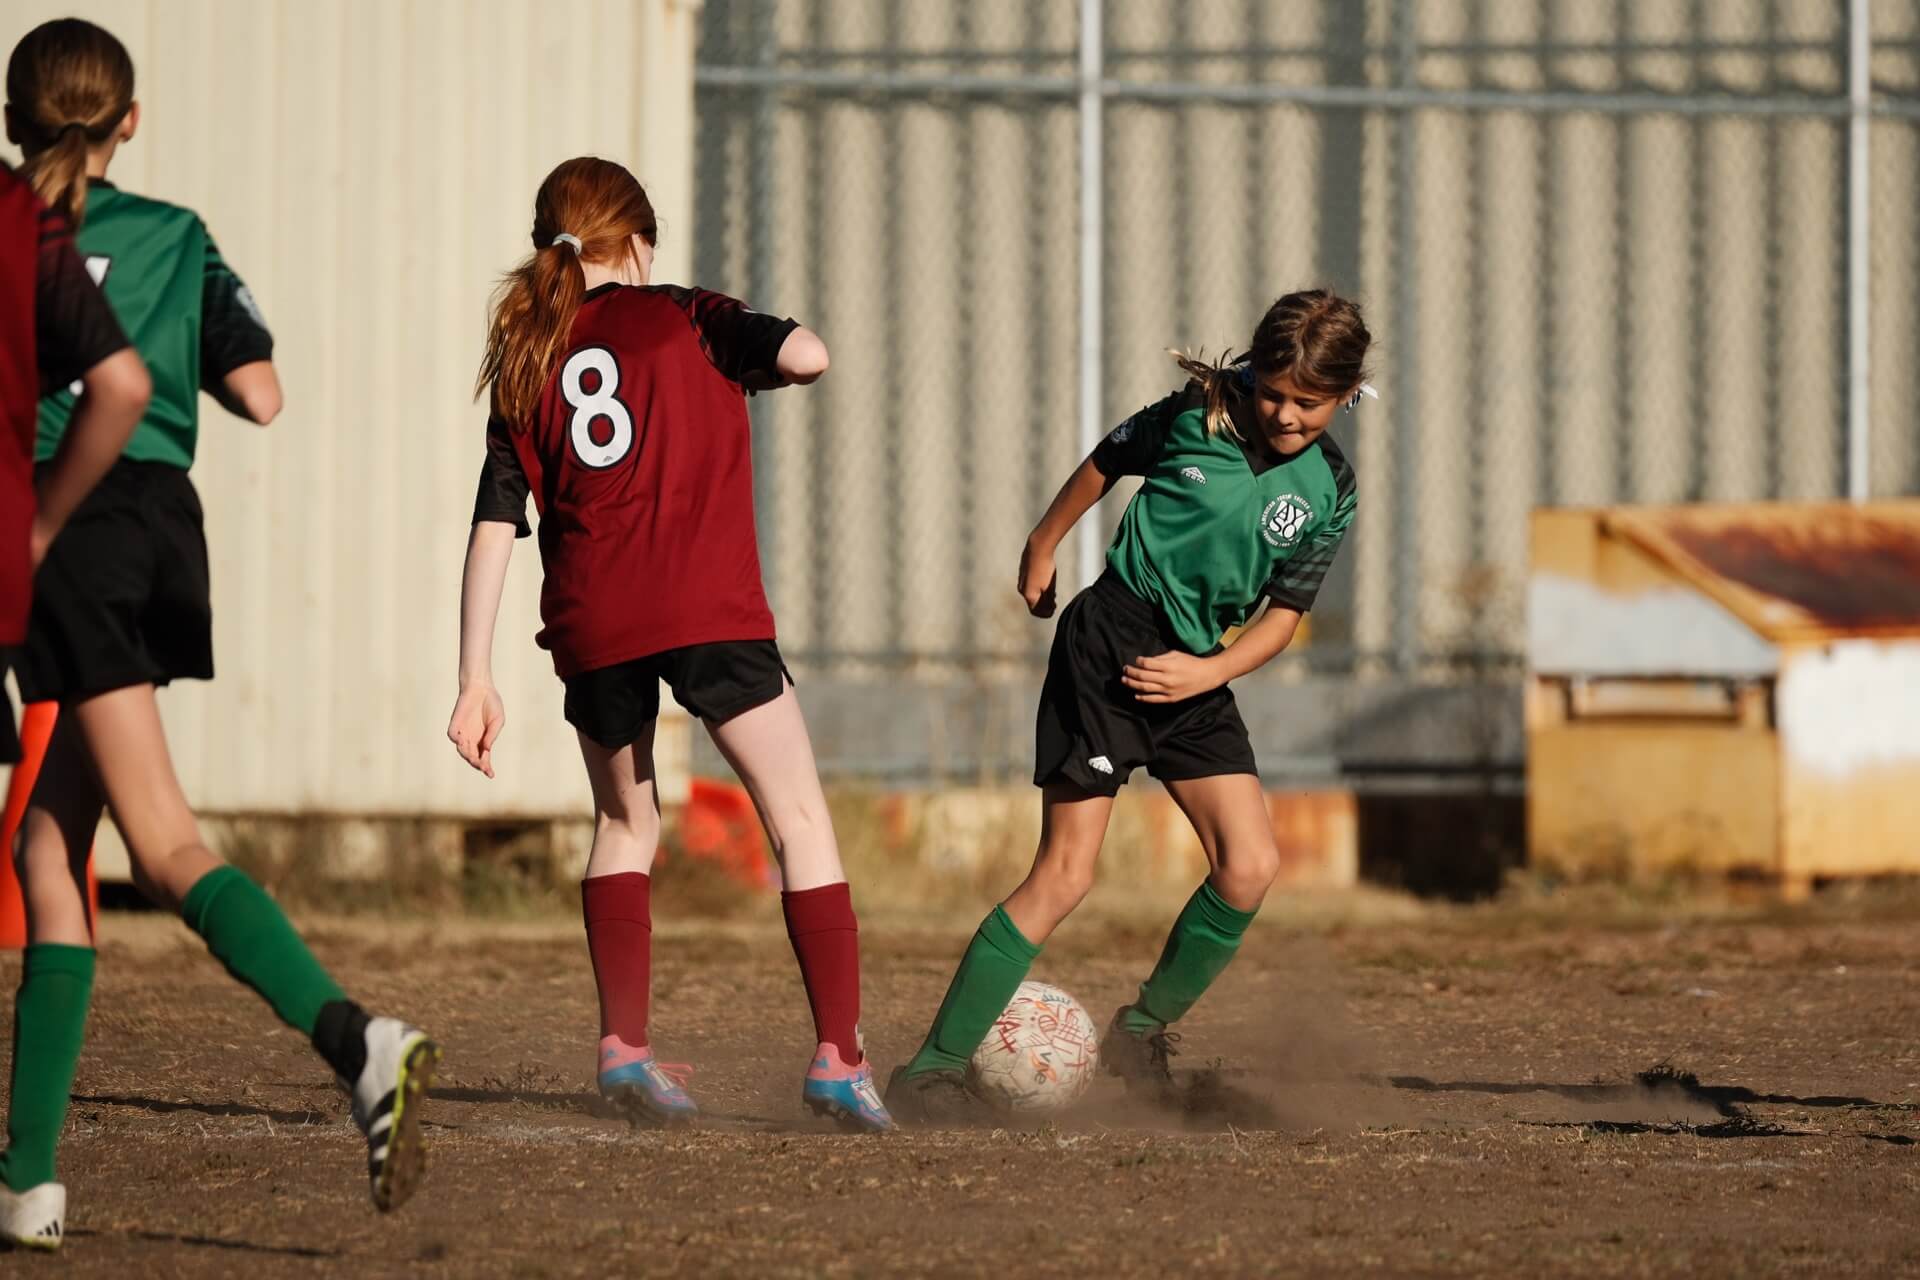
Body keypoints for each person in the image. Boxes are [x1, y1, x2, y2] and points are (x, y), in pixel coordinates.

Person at [1, 20, 437, 1250]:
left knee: (163, 840)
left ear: (12, 121)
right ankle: (27, 1176)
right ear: (128, 121)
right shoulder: (177, 235)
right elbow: (261, 391)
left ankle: (360, 1042)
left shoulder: (11, 232)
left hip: (64, 523)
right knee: (48, 843)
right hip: (160, 530)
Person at [451, 155, 893, 1132]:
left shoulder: (528, 350)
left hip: (593, 623)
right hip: (709, 612)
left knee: (624, 826)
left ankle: (625, 1049)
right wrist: (746, 346)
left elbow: (494, 522)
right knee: (801, 823)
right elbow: (808, 355)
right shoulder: (687, 313)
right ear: (638, 244)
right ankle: (839, 1056)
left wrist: (474, 676)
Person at [886, 289, 1372, 1122]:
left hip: (1197, 672)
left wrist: (1207, 672)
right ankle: (929, 1070)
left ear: (1346, 394)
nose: (1287, 416)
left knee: (1250, 867)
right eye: (1274, 394)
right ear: (1253, 373)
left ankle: (1139, 1030)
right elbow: (1106, 462)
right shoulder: (1196, 416)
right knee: (1067, 874)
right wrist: (1043, 542)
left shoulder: (1331, 488)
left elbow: (1283, 620)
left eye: (1309, 403)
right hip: (1110, 644)